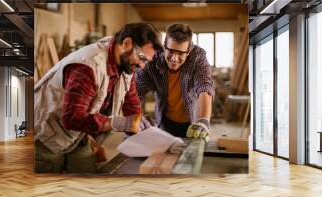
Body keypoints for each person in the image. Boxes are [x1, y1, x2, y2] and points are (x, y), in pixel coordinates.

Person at [34, 23, 163, 173]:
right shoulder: (87, 67)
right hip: (47, 136)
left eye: (146, 61)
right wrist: (117, 123)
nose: (142, 66)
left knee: (86, 181)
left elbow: (131, 99)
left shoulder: (125, 63)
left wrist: (140, 123)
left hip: (78, 135)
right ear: (127, 43)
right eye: (141, 57)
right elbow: (72, 118)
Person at [136, 24, 214, 140]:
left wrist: (203, 120)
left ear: (189, 51)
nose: (174, 59)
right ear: (164, 46)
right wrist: (137, 116)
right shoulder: (152, 60)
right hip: (164, 120)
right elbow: (138, 90)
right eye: (171, 51)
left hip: (192, 123)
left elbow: (204, 85)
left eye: (180, 53)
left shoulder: (198, 57)